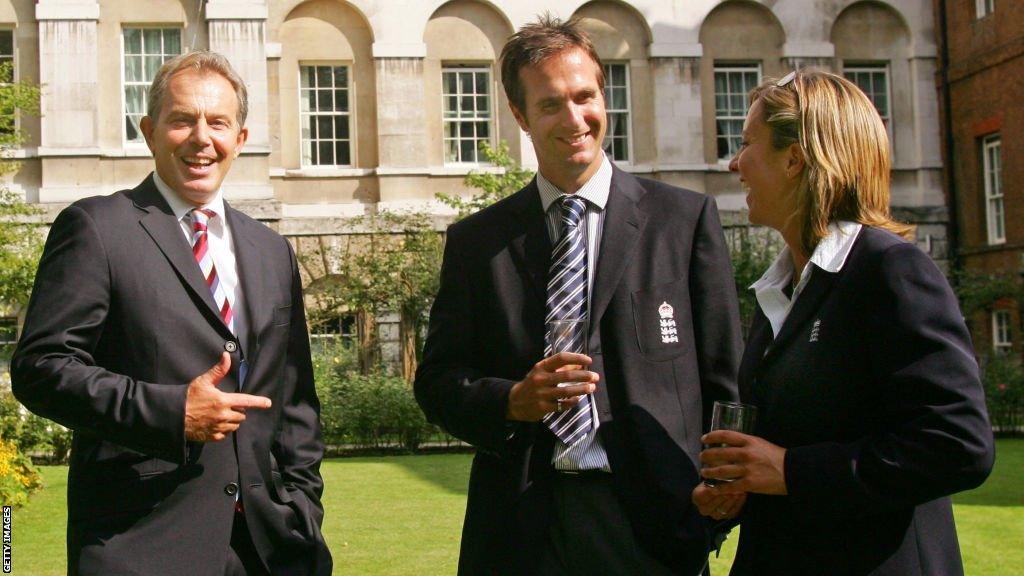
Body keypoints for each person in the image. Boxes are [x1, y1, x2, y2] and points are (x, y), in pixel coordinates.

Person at [415, 15, 742, 576]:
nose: (574, 119)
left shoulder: (682, 221)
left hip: (654, 523)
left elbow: (726, 379)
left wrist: (717, 502)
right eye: (549, 105)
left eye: (584, 96)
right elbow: (439, 382)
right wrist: (512, 400)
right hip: (522, 525)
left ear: (602, 93)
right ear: (519, 115)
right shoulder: (478, 243)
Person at [12, 51, 331, 576]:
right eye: (182, 119)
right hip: (142, 543)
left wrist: (303, 507)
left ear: (240, 139)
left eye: (218, 123)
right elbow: (42, 368)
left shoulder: (271, 250)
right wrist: (170, 413)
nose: (201, 138)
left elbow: (296, 401)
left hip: (272, 548)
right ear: (150, 131)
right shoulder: (97, 228)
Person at [692, 70, 995, 575]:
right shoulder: (783, 289)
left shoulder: (888, 270)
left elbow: (957, 445)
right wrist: (744, 485)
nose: (734, 163)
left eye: (746, 144)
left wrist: (789, 471)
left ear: (795, 160)